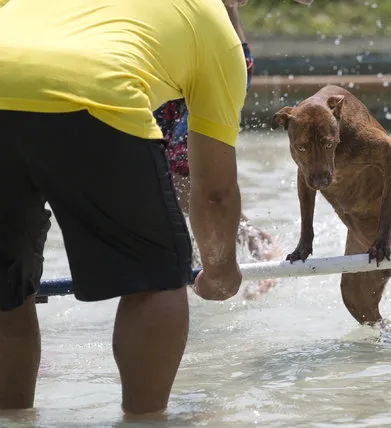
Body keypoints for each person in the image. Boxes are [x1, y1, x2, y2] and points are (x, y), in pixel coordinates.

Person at [0, 0, 251, 417]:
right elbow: (214, 191)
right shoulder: (212, 26)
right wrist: (221, 270)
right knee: (155, 276)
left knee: (6, 284)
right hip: (96, 92)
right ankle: (144, 421)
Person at [153, 3, 282, 299]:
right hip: (163, 67)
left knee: (182, 174)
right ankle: (203, 255)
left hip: (216, 59)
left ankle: (258, 245)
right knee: (155, 167)